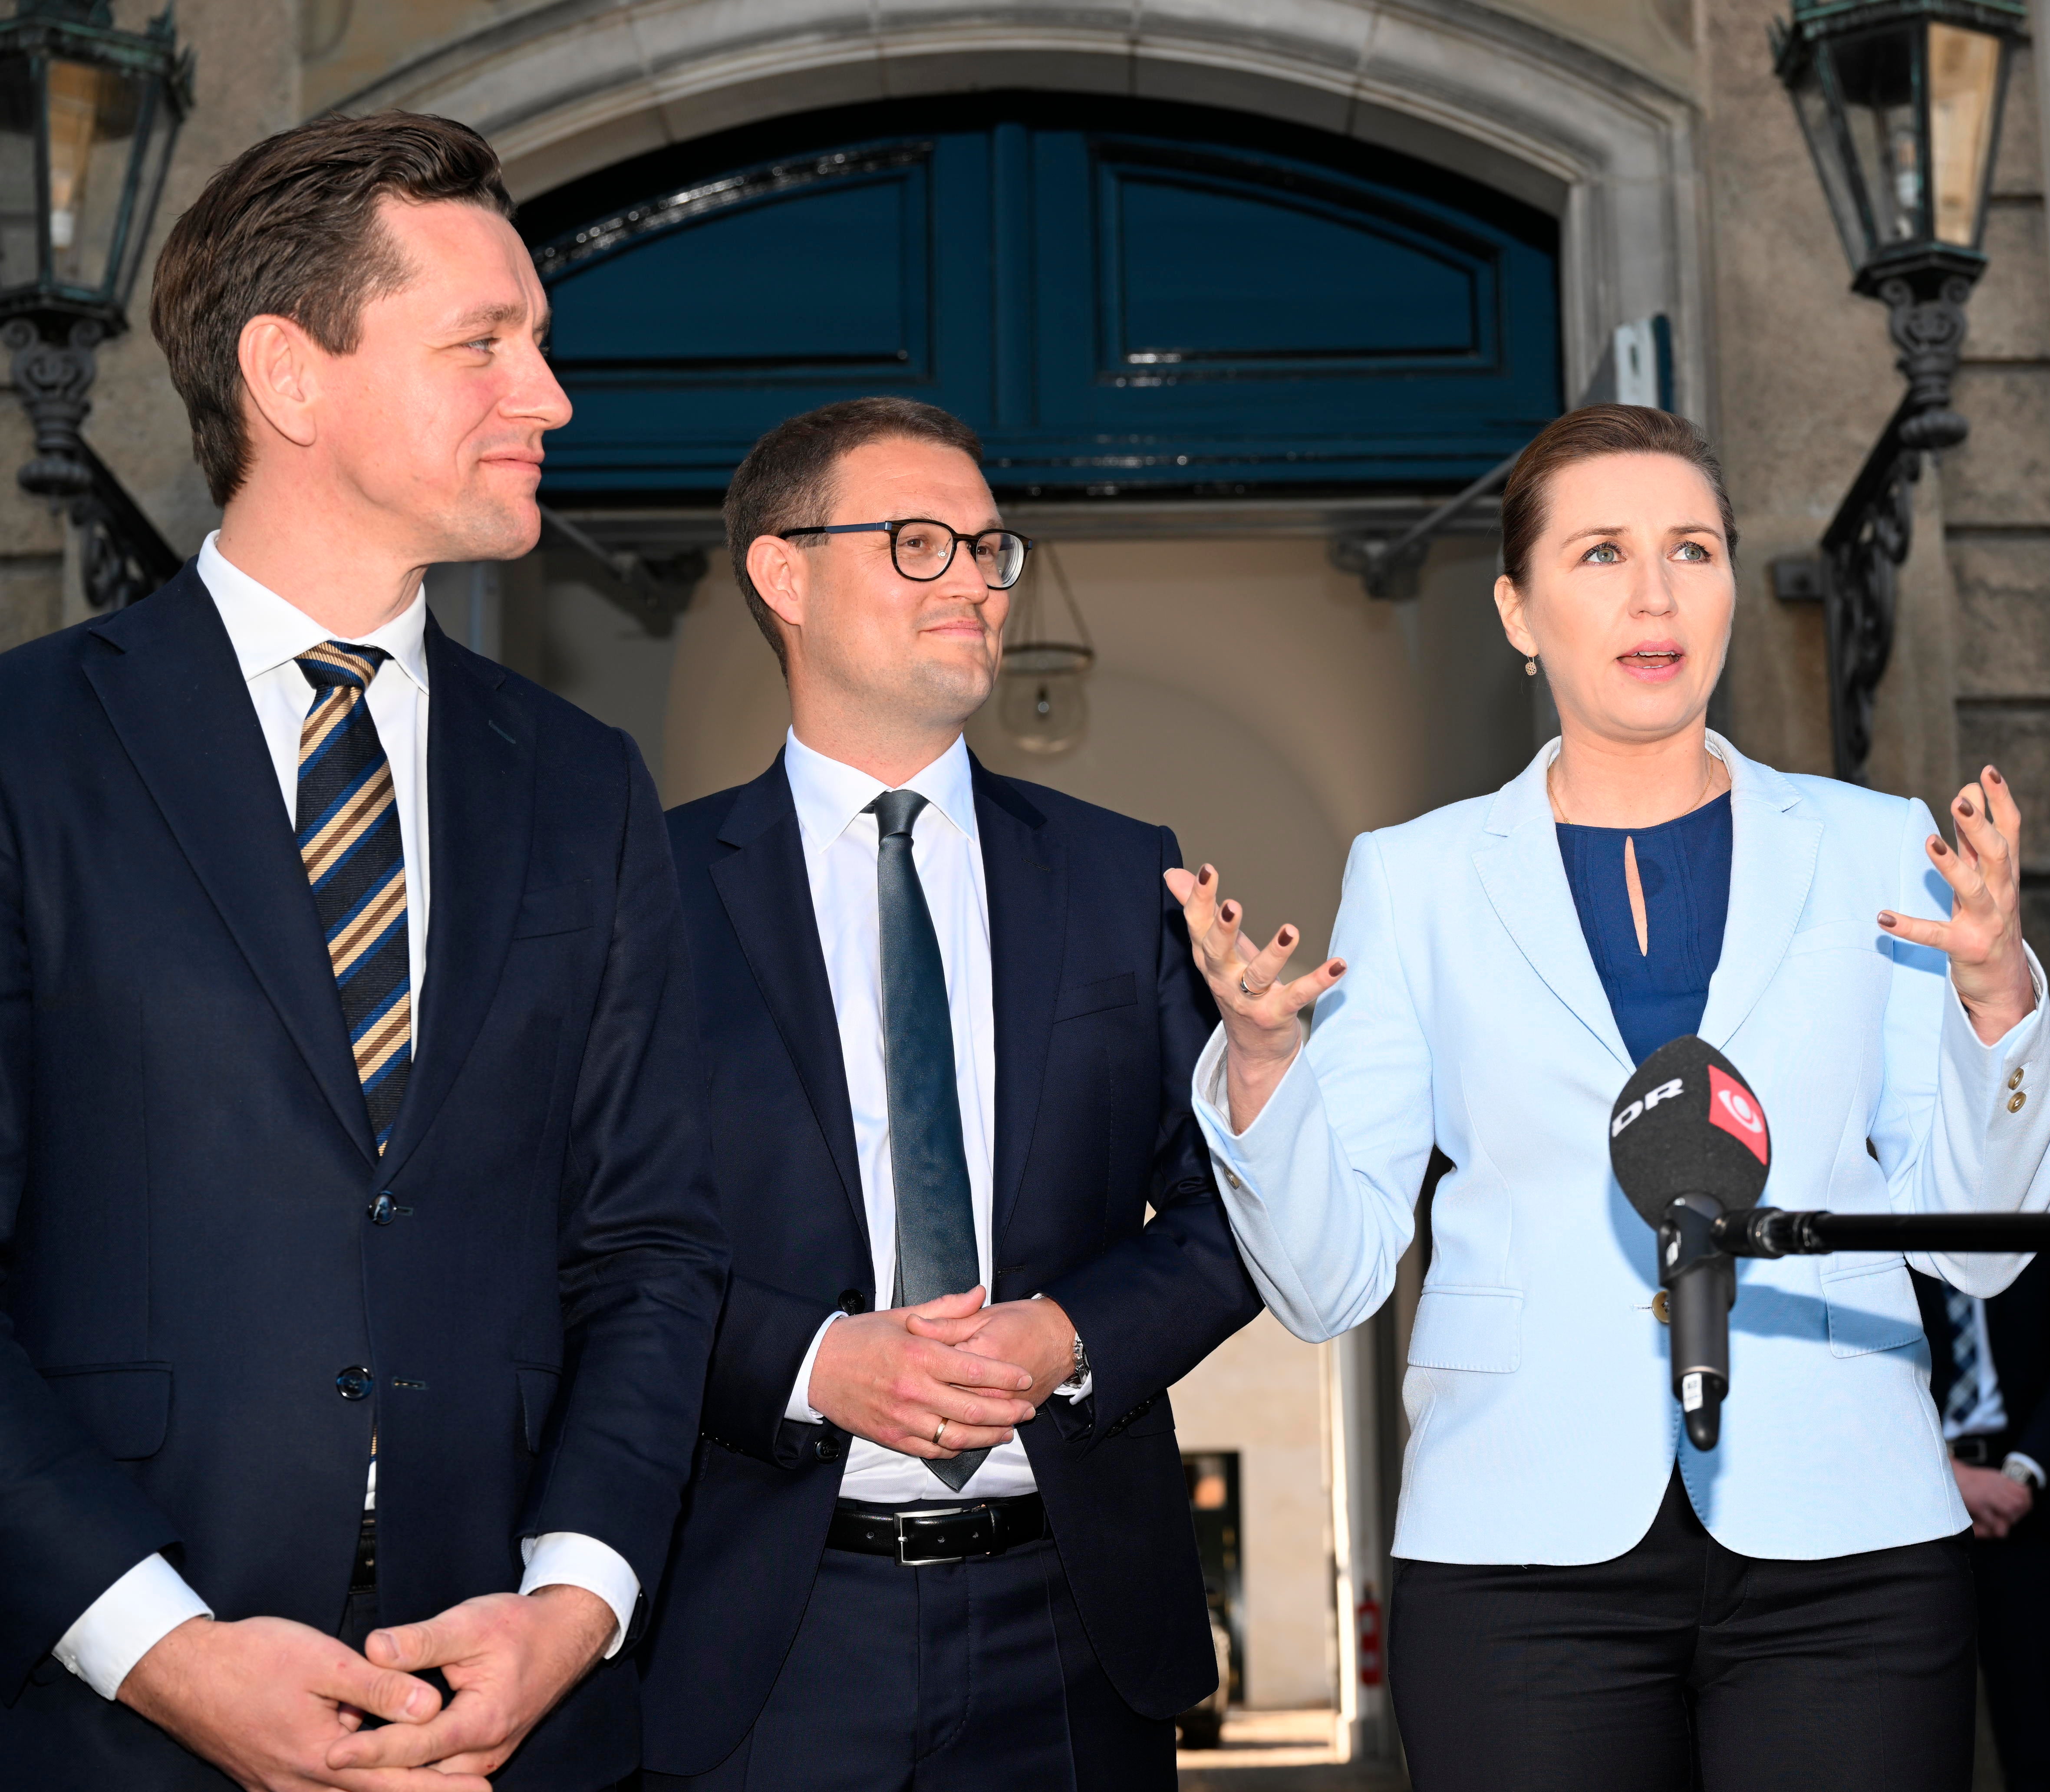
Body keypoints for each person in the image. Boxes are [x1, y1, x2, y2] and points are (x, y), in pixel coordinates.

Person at [1174, 403, 2050, 1791]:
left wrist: (1998, 999)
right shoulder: (1416, 877)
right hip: (1519, 1549)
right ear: (1518, 611)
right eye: (1601, 553)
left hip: (1846, 1539)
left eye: (1691, 548)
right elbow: (1326, 1279)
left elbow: (1986, 1242)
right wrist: (1263, 1067)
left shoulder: (1874, 846)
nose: (1655, 593)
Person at [0, 114, 729, 1791]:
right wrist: (159, 1649)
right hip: (111, 1714)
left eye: (535, 346)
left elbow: (650, 1248)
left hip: (518, 1720)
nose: (546, 397)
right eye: (484, 343)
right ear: (289, 374)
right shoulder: (27, 753)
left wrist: (576, 1598)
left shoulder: (584, 782)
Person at [635, 397, 1261, 1791]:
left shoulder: (1123, 878)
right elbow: (588, 1238)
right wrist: (810, 1363)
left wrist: (1071, 1331)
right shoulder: (648, 893)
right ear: (782, 574)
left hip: (1074, 1629)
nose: (975, 580)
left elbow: (1236, 1213)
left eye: (988, 547)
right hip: (766, 1630)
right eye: (920, 544)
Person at [1911, 1257, 2050, 1792]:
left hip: (2028, 1510)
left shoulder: (2039, 1222)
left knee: (2036, 1744)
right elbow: (1861, 1373)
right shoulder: (1881, 1231)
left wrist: (2021, 1475)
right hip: (1911, 1513)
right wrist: (1949, 1475)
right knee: (1904, 1740)